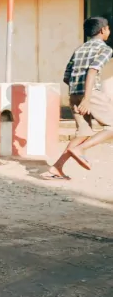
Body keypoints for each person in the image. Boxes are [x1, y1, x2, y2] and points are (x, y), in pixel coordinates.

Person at [42, 17, 113, 180]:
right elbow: (92, 71)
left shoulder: (79, 49)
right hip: (90, 94)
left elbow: (67, 77)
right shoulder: (105, 49)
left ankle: (56, 168)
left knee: (83, 132)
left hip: (74, 94)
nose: (109, 31)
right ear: (102, 30)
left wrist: (77, 96)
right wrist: (87, 99)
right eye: (108, 28)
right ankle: (81, 150)